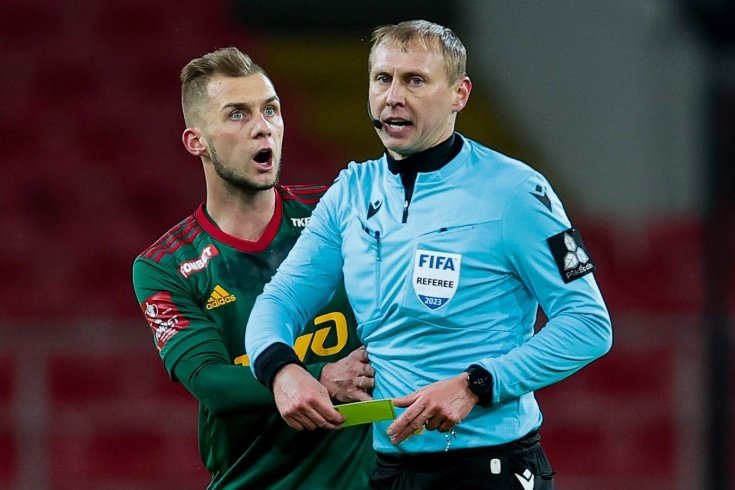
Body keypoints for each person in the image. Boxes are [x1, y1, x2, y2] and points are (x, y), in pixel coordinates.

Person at [245, 20, 613, 489]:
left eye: (415, 80)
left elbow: (588, 324)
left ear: (459, 94)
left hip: (491, 467)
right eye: (382, 79)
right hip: (392, 468)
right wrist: (282, 371)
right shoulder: (351, 193)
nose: (393, 97)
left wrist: (476, 384)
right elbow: (280, 300)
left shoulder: (515, 191)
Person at [131, 47, 376, 489]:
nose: (262, 127)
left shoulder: (337, 210)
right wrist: (317, 378)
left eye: (271, 110)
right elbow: (211, 381)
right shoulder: (164, 266)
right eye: (237, 114)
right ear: (196, 141)